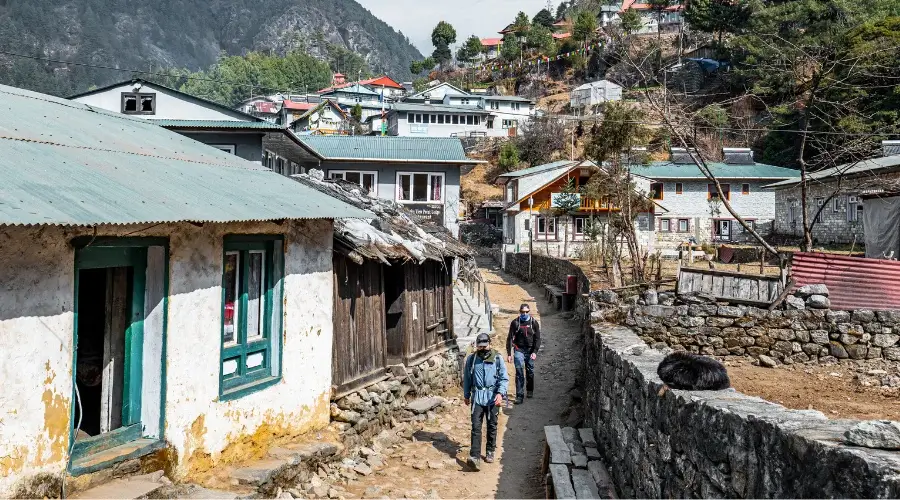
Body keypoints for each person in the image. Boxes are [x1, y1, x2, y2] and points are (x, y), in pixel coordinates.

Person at [463, 332, 509, 470]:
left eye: (485, 346)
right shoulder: (471, 359)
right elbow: (467, 379)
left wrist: (500, 394)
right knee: (476, 427)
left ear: (490, 344)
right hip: (477, 397)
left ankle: (490, 450)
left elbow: (504, 378)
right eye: (480, 347)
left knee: (492, 425)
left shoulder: (498, 358)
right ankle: (475, 456)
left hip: (492, 397)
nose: (482, 349)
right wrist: (466, 395)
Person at [506, 303, 541, 404]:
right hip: (519, 349)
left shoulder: (534, 323)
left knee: (530, 371)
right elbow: (509, 338)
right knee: (519, 372)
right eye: (522, 312)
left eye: (526, 312)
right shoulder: (515, 323)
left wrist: (535, 351)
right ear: (520, 312)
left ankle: (530, 390)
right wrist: (509, 353)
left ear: (529, 312)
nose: (524, 314)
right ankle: (519, 396)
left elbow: (538, 339)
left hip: (530, 350)